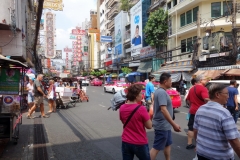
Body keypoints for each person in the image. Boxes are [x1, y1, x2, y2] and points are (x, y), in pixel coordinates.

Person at [194, 83, 240, 159]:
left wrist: (198, 145)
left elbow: (196, 130)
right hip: (219, 157)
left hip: (202, 153)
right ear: (217, 95)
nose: (228, 97)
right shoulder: (224, 113)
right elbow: (233, 140)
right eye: (226, 94)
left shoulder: (201, 108)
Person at [150, 72, 181, 160]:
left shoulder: (162, 92)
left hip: (166, 125)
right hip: (162, 125)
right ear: (165, 81)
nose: (171, 82)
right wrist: (174, 124)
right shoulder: (161, 92)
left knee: (167, 144)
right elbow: (163, 109)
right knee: (156, 148)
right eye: (170, 81)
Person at [120, 84, 152, 160]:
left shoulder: (122, 107)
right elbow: (149, 126)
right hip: (139, 142)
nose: (142, 95)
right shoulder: (141, 109)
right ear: (136, 95)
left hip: (126, 141)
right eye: (141, 93)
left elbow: (123, 121)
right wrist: (150, 114)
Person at [186, 75, 209, 149]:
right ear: (201, 80)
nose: (207, 81)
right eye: (205, 79)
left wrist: (192, 106)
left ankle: (189, 144)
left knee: (191, 128)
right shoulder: (203, 88)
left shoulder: (192, 89)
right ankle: (199, 144)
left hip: (193, 111)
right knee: (202, 128)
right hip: (201, 112)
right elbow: (206, 99)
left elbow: (188, 99)